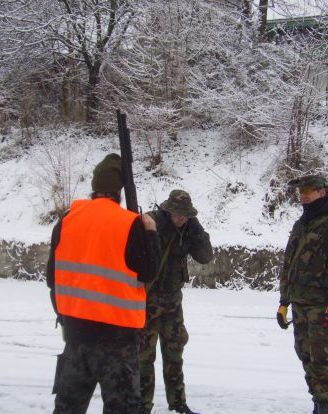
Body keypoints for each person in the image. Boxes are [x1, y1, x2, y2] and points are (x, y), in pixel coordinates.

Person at [46, 153, 161, 414]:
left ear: (94, 188)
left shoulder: (66, 221)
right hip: (119, 340)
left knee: (68, 407)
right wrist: (151, 232)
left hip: (76, 335)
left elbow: (52, 279)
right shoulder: (131, 224)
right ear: (120, 190)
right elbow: (149, 271)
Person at [277, 175, 328, 414]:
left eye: (308, 190)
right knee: (305, 354)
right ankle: (317, 401)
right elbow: (289, 263)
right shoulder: (301, 224)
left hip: (321, 305)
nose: (303, 195)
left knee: (321, 356)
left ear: (322, 192)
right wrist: (283, 302)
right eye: (301, 191)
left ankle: (325, 405)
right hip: (298, 302)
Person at [139, 190, 213, 414]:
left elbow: (205, 256)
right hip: (147, 302)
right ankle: (143, 406)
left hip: (172, 301)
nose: (181, 219)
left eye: (185, 215)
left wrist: (196, 229)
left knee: (174, 354)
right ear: (168, 210)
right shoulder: (152, 223)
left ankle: (178, 403)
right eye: (178, 214)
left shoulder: (190, 227)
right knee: (144, 357)